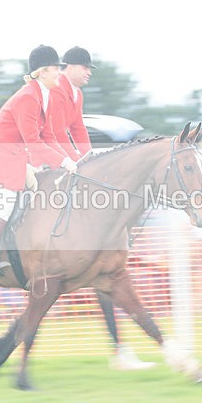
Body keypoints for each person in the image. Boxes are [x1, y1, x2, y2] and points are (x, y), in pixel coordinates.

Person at [48, 46, 155, 371]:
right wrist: (75, 163)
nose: (89, 72)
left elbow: (78, 132)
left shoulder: (76, 95)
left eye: (90, 68)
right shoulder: (56, 91)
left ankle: (120, 350)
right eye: (85, 67)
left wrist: (89, 159)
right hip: (47, 163)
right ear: (70, 67)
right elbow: (53, 134)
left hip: (69, 164)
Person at [0, 45, 77, 281]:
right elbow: (33, 142)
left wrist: (73, 160)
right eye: (56, 69)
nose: (60, 74)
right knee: (7, 200)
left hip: (12, 156)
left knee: (39, 186)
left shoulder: (45, 96)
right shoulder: (27, 97)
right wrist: (63, 161)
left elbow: (49, 137)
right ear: (42, 72)